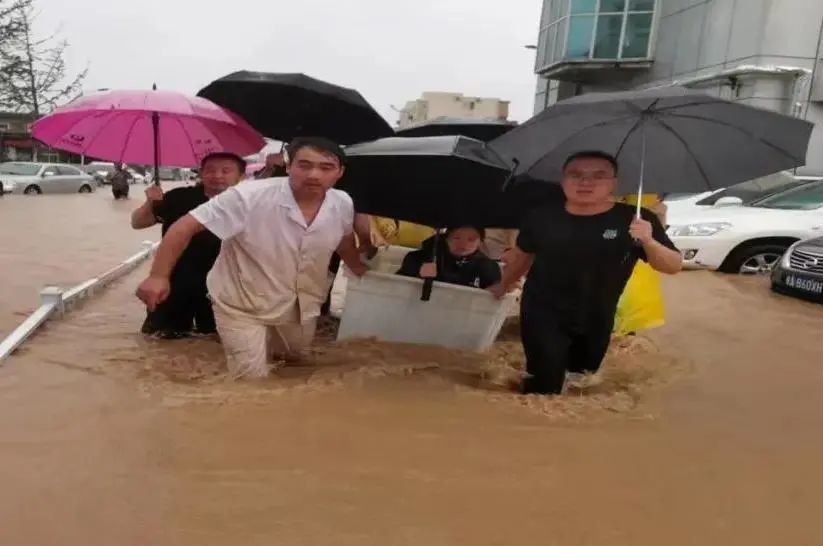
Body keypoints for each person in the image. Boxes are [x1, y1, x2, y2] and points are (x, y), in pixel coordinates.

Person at [135, 137, 367, 379]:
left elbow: (344, 240)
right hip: (241, 302)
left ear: (340, 172)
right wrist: (158, 276)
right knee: (251, 381)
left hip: (300, 301)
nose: (314, 175)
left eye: (326, 167)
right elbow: (184, 226)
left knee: (296, 361)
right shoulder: (247, 196)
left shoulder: (342, 203)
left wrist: (358, 267)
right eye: (304, 165)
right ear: (288, 166)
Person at [489, 151, 682, 395]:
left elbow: (672, 266)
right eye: (576, 175)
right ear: (563, 181)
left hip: (598, 314)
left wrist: (647, 241)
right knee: (544, 384)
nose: (585, 182)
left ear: (614, 183)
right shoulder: (542, 216)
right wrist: (502, 286)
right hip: (543, 310)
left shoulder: (635, 220)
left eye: (598, 176)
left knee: (581, 382)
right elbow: (522, 256)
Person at [130, 152, 246, 338]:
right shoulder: (179, 197)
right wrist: (150, 203)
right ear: (200, 173)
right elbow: (138, 223)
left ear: (241, 176)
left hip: (223, 286)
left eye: (226, 171)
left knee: (216, 340)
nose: (217, 176)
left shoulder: (248, 202)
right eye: (210, 170)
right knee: (159, 340)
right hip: (175, 280)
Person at [398, 226, 501, 289]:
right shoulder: (422, 256)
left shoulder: (487, 266)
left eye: (471, 239)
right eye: (457, 238)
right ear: (446, 238)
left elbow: (490, 296)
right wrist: (417, 275)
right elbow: (397, 285)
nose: (463, 244)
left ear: (480, 242)